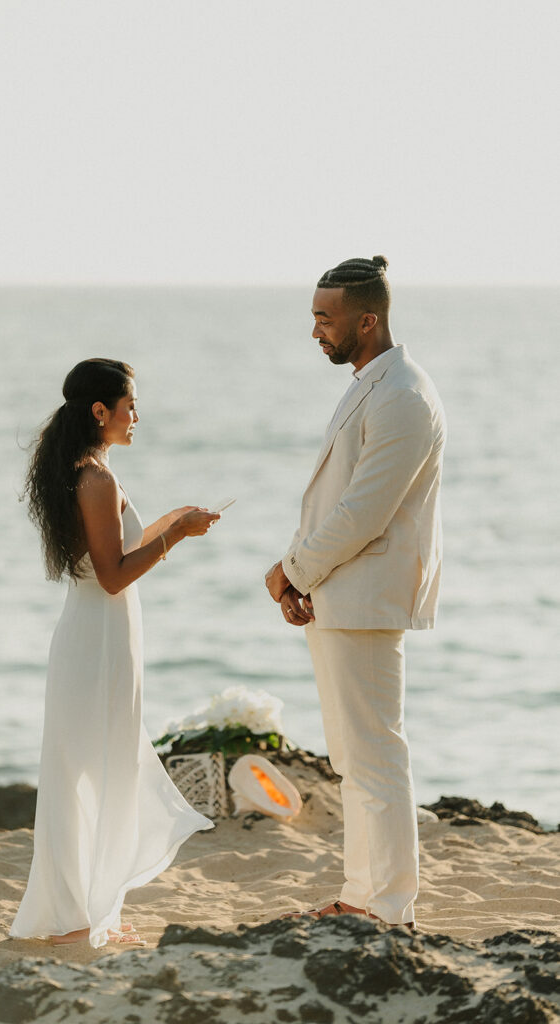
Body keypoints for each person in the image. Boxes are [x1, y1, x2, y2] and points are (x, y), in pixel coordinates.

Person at [9, 357, 219, 948]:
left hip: (97, 636)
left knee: (97, 768)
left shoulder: (88, 471)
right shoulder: (95, 479)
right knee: (96, 770)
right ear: (100, 411)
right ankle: (83, 909)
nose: (137, 417)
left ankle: (90, 904)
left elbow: (114, 554)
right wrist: (173, 538)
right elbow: (111, 575)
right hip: (97, 640)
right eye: (130, 406)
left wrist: (171, 522)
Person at [266, 256, 446, 929]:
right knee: (353, 758)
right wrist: (296, 575)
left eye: (325, 318)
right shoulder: (369, 383)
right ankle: (359, 895)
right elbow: (337, 501)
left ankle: (389, 906)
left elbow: (364, 513)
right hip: (339, 595)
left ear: (366, 319)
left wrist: (291, 570)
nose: (315, 329)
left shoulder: (402, 393)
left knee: (376, 756)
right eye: (314, 316)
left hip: (366, 597)